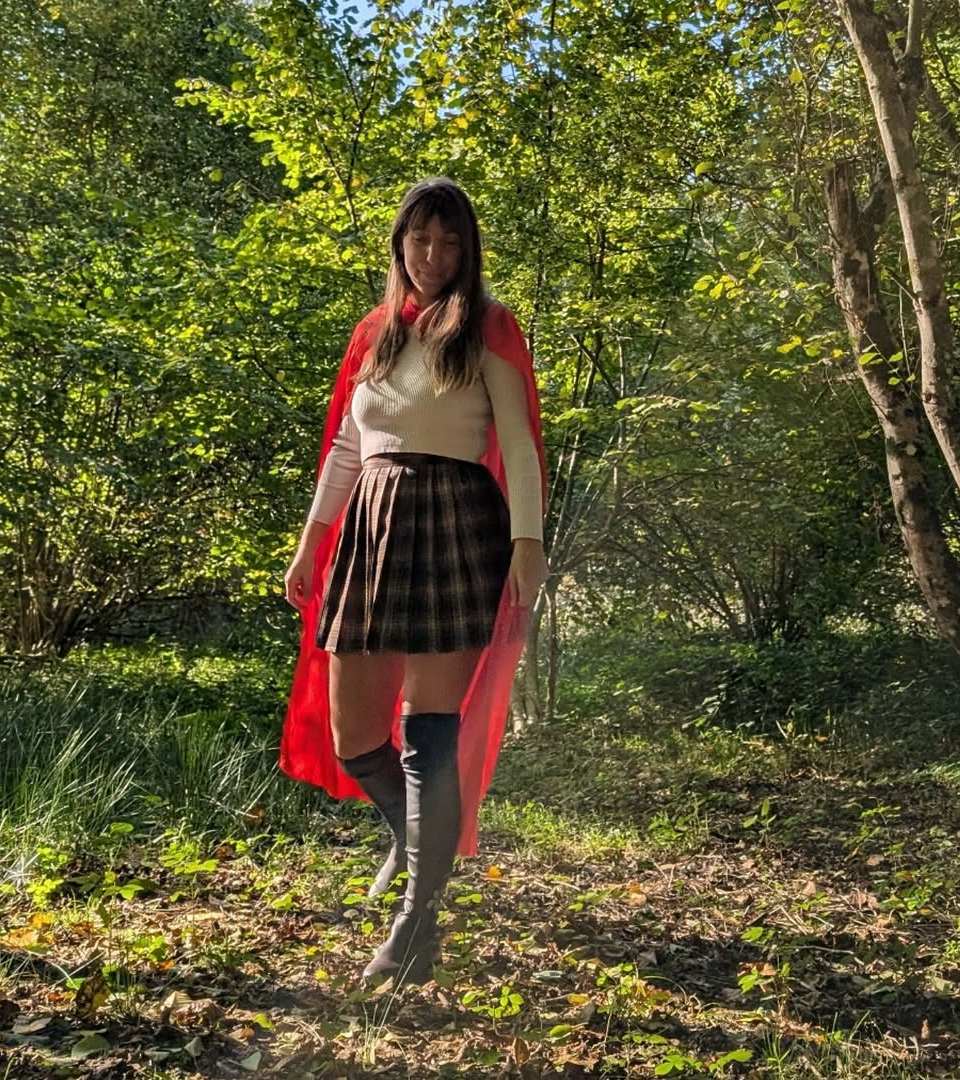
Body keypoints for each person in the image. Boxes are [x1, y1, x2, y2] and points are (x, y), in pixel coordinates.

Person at [280, 177, 547, 985]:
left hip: (456, 526)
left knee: (429, 731)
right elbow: (347, 446)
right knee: (355, 735)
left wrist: (528, 543)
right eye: (421, 239)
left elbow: (519, 443)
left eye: (451, 242)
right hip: (370, 529)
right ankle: (414, 839)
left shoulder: (488, 326)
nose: (434, 255)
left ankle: (416, 927)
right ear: (400, 243)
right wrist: (309, 543)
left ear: (469, 251)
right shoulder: (376, 332)